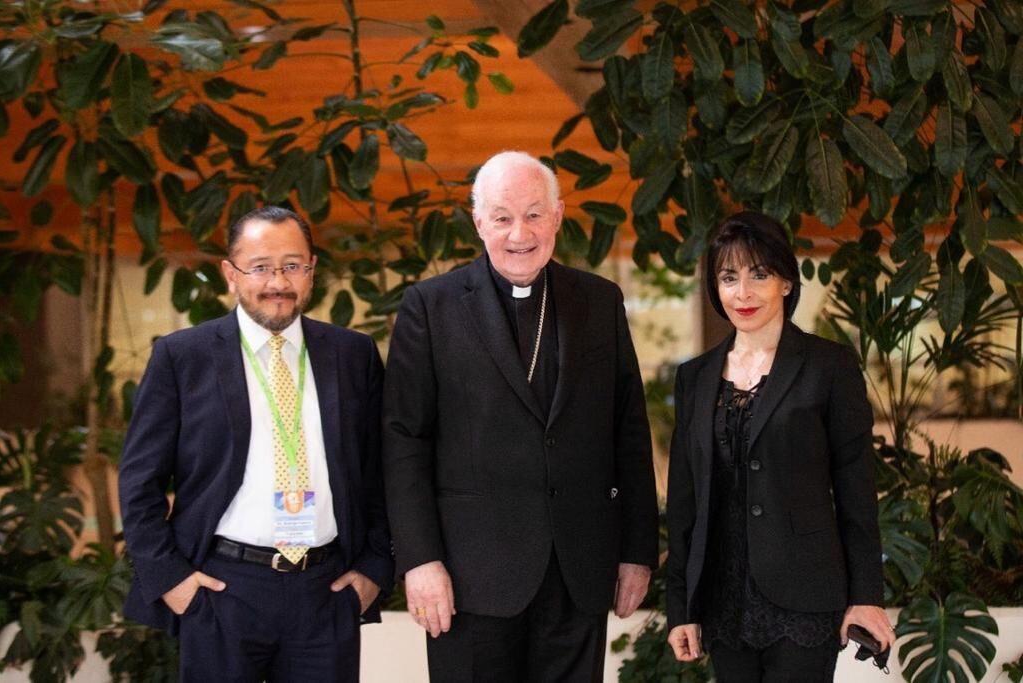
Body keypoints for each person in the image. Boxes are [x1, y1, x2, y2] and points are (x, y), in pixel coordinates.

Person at [382, 151, 658, 681]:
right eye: (503, 216)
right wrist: (419, 560)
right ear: (479, 221)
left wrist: (637, 551)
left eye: (534, 214)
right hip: (469, 578)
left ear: (557, 216)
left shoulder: (599, 302)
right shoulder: (431, 307)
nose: (519, 233)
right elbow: (404, 441)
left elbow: (628, 432)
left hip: (577, 571)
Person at [119, 206, 393, 682]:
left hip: (325, 591)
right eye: (261, 267)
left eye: (292, 265)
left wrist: (373, 569)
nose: (278, 282)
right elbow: (139, 482)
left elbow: (381, 472)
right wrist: (173, 582)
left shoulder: (353, 355)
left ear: (311, 271)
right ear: (231, 273)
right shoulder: (182, 357)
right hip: (222, 590)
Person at [665, 211, 895, 680]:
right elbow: (685, 502)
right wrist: (680, 608)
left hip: (805, 598)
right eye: (729, 277)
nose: (742, 293)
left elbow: (856, 492)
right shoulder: (695, 377)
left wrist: (867, 596)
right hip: (722, 602)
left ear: (786, 282)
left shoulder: (828, 366)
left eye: (759, 274)